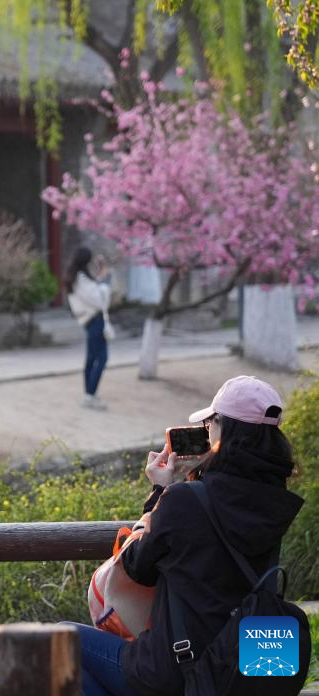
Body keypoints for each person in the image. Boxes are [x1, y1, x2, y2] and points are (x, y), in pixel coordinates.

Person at [69, 375, 304, 695]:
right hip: (237, 670)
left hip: (177, 668)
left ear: (222, 428)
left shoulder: (186, 499)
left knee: (61, 639)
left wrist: (160, 492)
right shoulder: (275, 502)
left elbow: (137, 566)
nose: (207, 431)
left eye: (209, 424)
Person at [66, 246, 112, 410]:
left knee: (92, 359)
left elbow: (92, 291)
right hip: (95, 320)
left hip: (90, 321)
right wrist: (105, 282)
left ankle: (89, 394)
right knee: (102, 358)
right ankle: (90, 395)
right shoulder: (80, 279)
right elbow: (97, 299)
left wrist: (100, 278)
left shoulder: (78, 278)